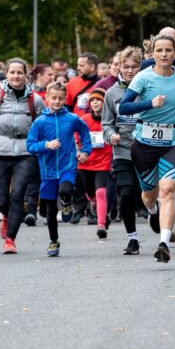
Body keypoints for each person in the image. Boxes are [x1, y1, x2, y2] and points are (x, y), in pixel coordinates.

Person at [118, 34, 175, 262]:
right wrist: (149, 104)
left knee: (168, 189)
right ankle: (153, 213)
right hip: (144, 144)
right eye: (160, 50)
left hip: (172, 141)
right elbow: (124, 108)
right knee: (149, 195)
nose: (164, 54)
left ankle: (163, 242)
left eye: (168, 50)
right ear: (152, 53)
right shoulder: (143, 78)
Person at [0, 58, 47, 254]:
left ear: (26, 75)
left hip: (26, 152)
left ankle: (10, 239)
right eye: (12, 72)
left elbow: (43, 125)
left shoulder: (36, 100)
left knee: (17, 195)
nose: (16, 76)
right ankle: (8, 217)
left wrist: (41, 146)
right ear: (6, 74)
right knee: (1, 199)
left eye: (20, 73)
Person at [26, 82, 91, 257]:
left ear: (65, 99)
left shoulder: (72, 118)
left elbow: (85, 132)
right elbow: (30, 145)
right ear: (46, 98)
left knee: (65, 189)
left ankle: (67, 203)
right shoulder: (39, 122)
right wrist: (46, 145)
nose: (57, 101)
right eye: (53, 98)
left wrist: (85, 150)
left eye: (61, 98)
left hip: (67, 165)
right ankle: (53, 241)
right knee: (50, 211)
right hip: (47, 171)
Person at [103, 47, 144, 255]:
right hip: (122, 152)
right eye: (125, 67)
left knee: (147, 197)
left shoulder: (148, 89)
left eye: (133, 67)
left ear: (141, 67)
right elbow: (106, 124)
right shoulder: (112, 93)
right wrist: (111, 135)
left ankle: (154, 213)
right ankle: (132, 239)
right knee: (126, 194)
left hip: (147, 151)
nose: (129, 71)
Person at [78, 88, 113, 238]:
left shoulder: (110, 119)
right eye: (92, 100)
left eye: (98, 100)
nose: (95, 102)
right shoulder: (84, 119)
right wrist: (79, 151)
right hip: (86, 162)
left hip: (103, 162)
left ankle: (101, 224)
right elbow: (76, 137)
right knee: (91, 194)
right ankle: (93, 203)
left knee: (101, 192)